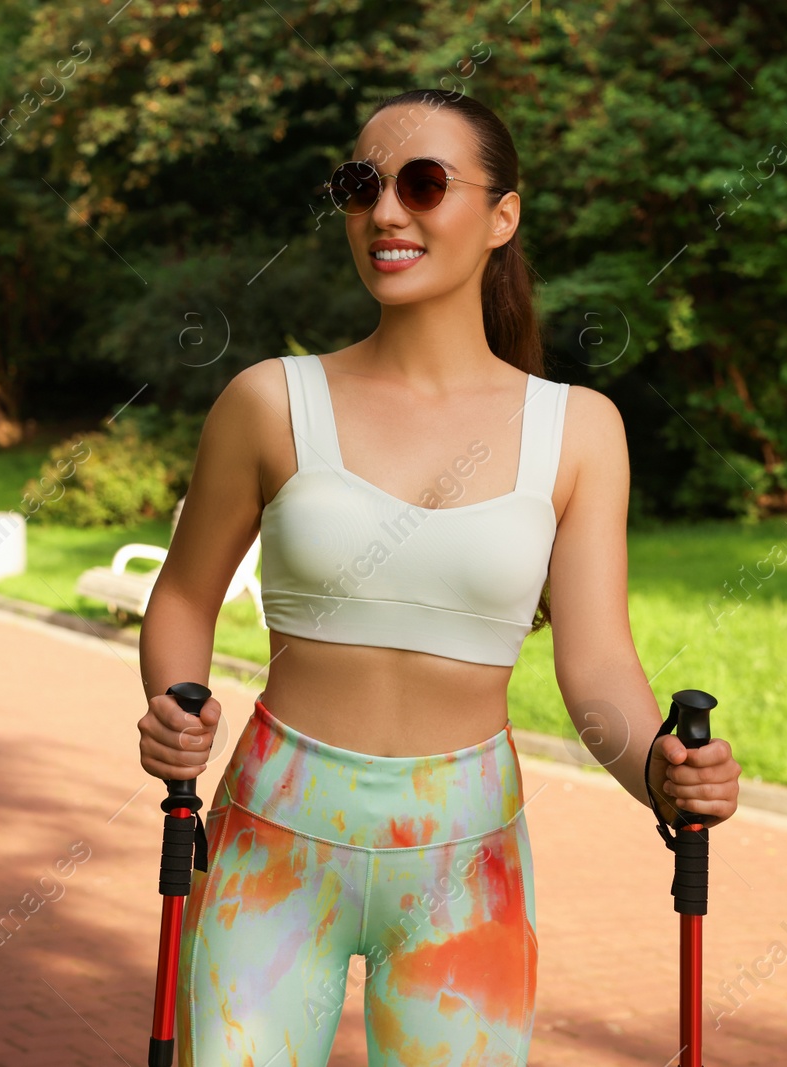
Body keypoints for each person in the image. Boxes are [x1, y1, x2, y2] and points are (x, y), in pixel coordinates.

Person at [136, 88, 742, 1067]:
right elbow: (182, 595)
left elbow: (595, 669)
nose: (385, 213)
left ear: (503, 214)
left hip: (467, 856)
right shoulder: (268, 401)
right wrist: (172, 704)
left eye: (423, 184)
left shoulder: (578, 429)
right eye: (359, 185)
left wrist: (663, 780)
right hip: (272, 828)